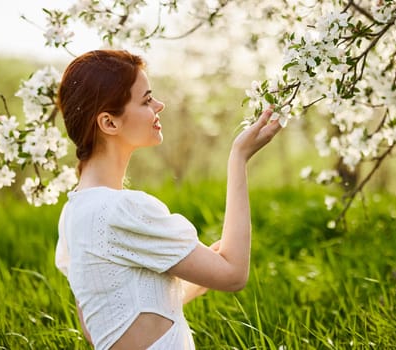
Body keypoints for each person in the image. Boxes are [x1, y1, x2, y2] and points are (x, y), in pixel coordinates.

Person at [54, 49, 282, 350]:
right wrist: (238, 158)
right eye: (146, 100)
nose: (159, 105)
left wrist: (198, 272)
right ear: (109, 123)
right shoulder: (122, 210)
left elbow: (101, 320)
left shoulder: (75, 212)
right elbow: (234, 275)